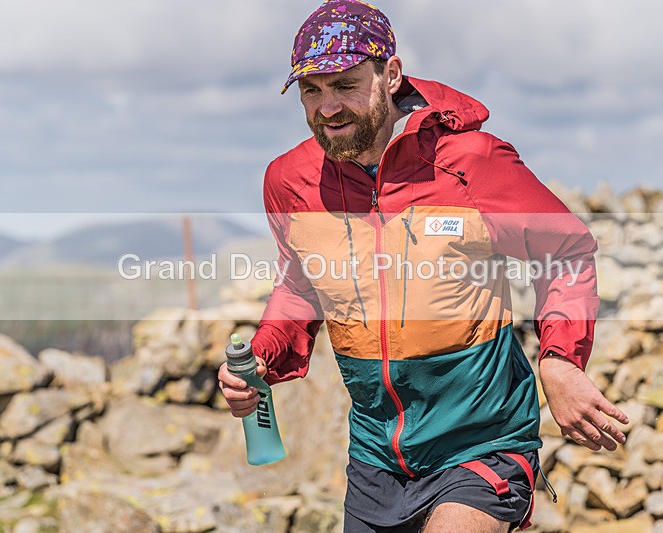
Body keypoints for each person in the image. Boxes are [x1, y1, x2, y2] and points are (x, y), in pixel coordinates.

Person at [218, 1, 629, 531]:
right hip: (375, 458)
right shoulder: (289, 180)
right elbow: (302, 283)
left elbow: (566, 252)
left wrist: (561, 360)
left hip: (483, 443)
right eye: (311, 90)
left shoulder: (471, 163)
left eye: (344, 84)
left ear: (390, 74)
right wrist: (262, 357)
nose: (327, 107)